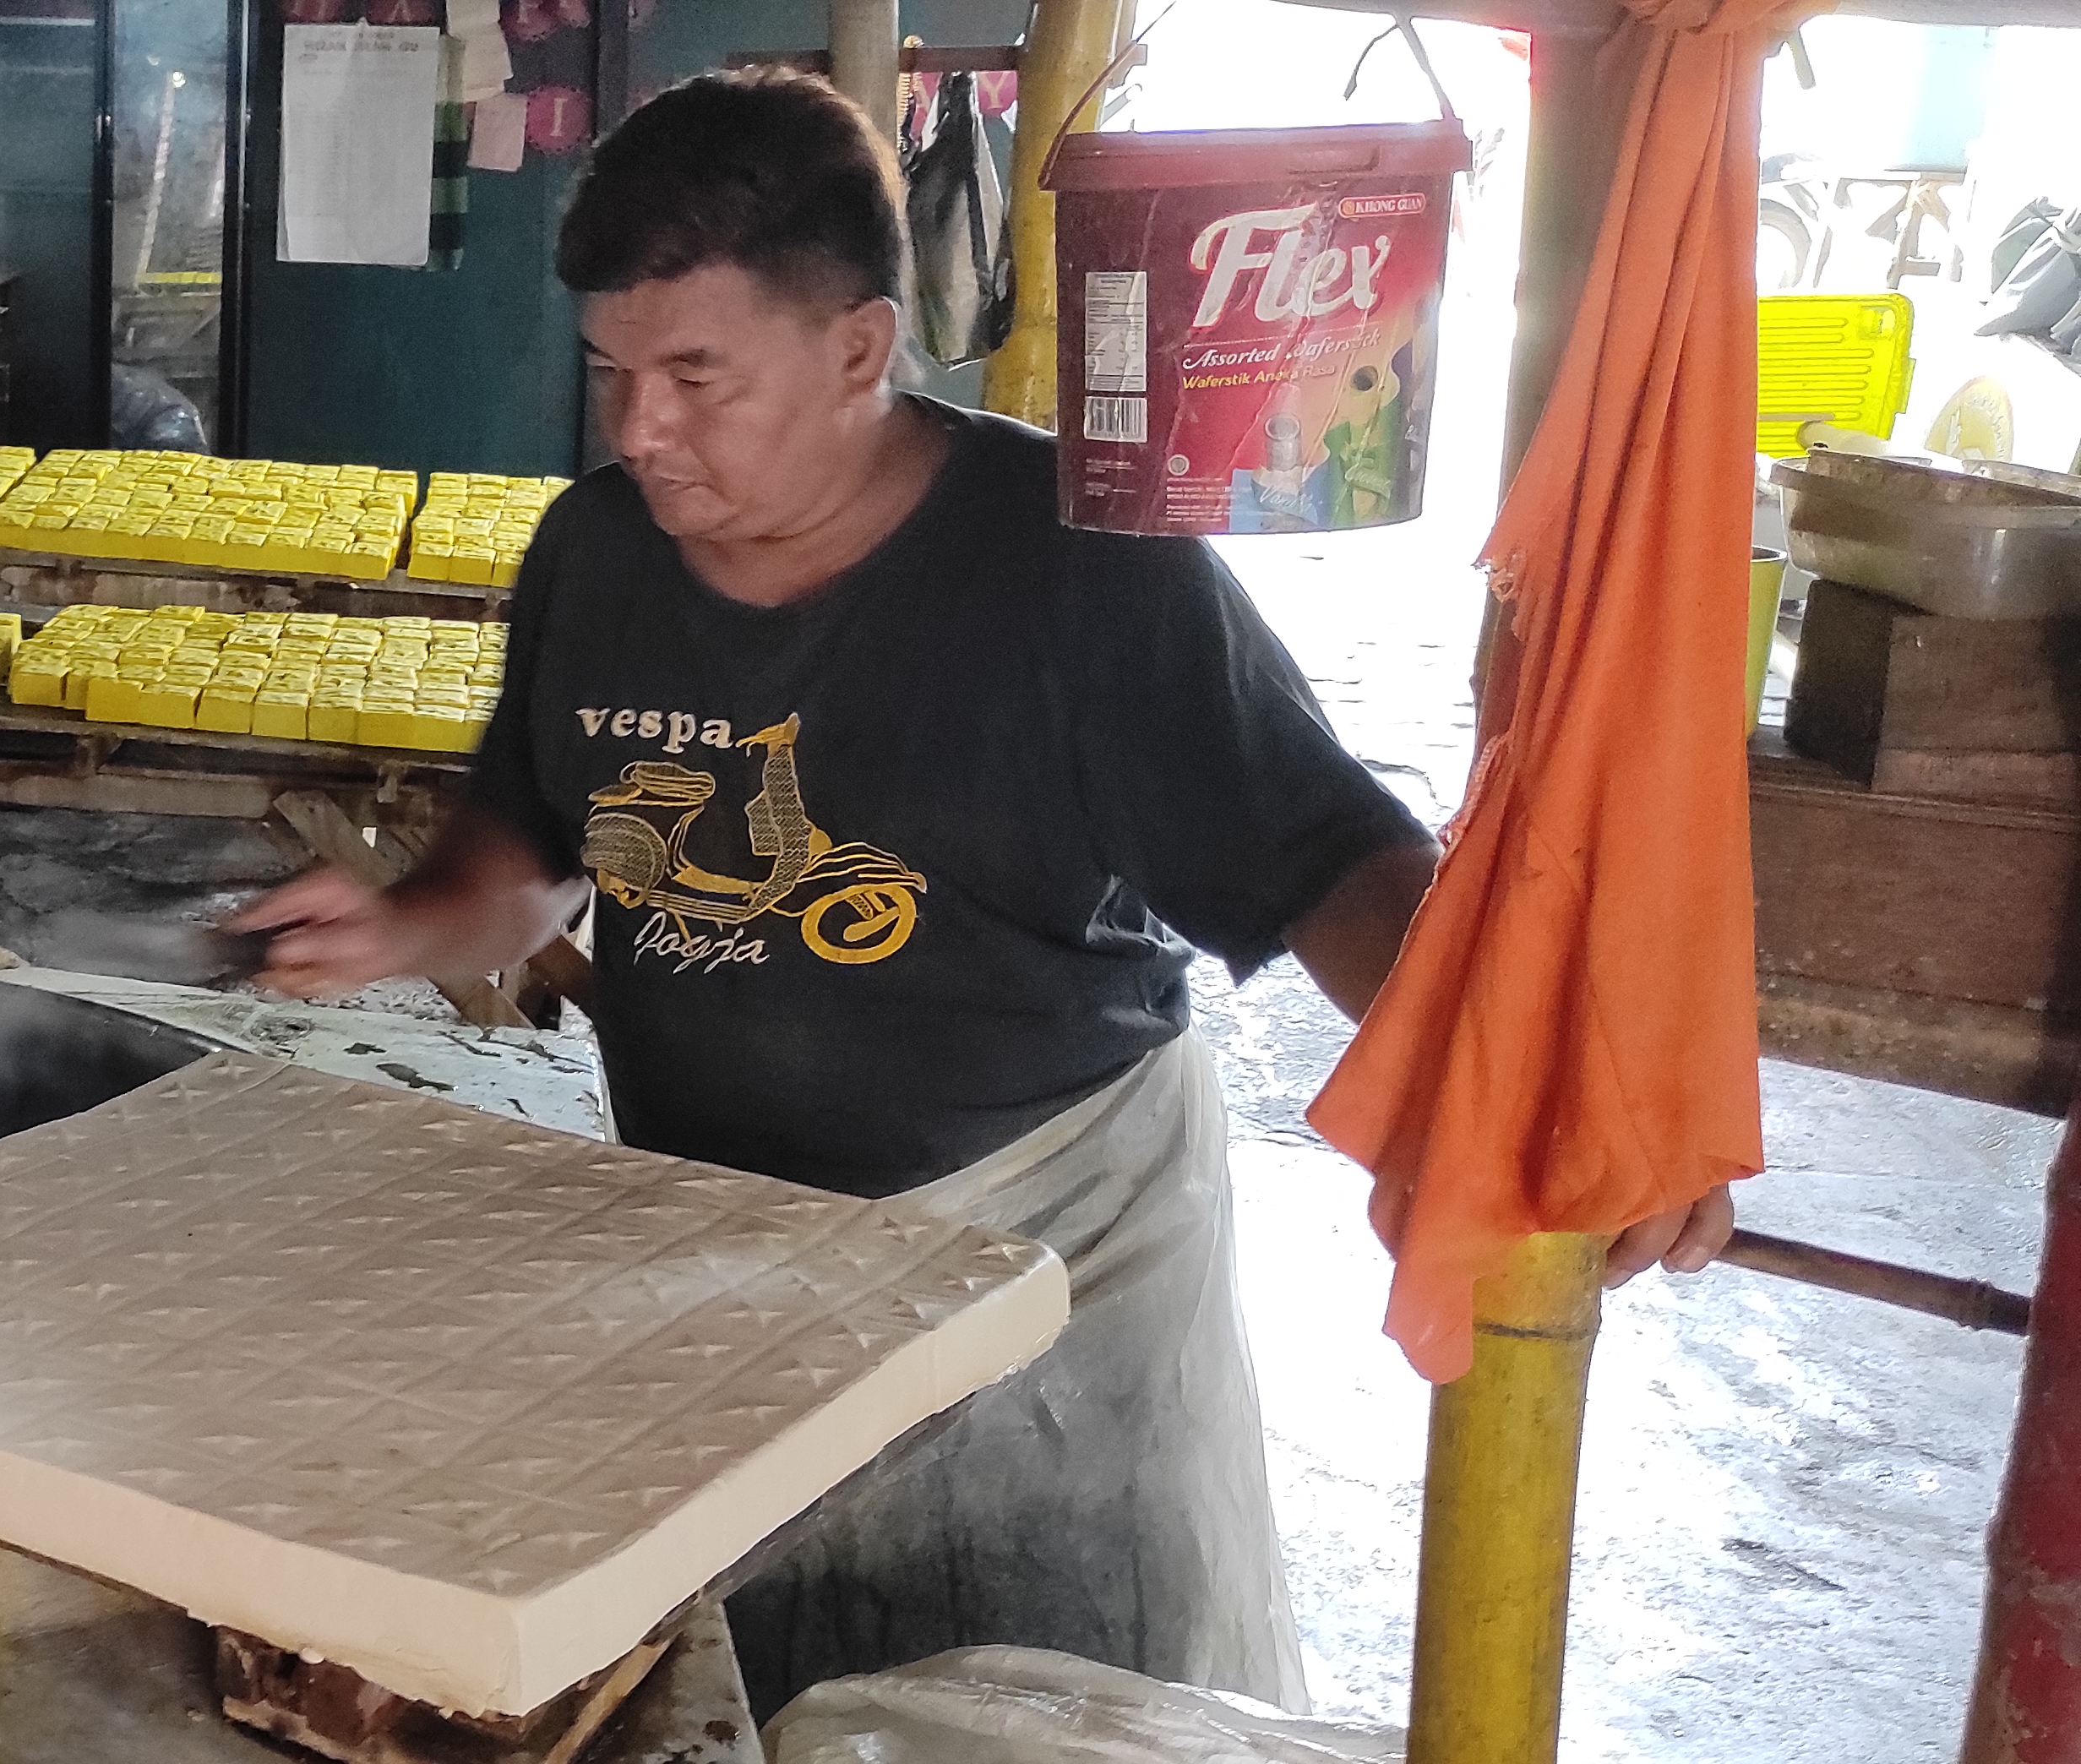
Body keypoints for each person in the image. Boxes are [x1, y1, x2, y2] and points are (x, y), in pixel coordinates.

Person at [231, 68, 1737, 1715]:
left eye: (693, 376)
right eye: (610, 377)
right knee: (771, 1702)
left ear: (861, 351)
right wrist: (395, 928)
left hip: (1050, 1268)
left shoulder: (1079, 570)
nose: (639, 429)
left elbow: (1330, 867)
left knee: (1065, 1695)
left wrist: (1538, 1086)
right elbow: (519, 865)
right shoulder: (595, 557)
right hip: (724, 1259)